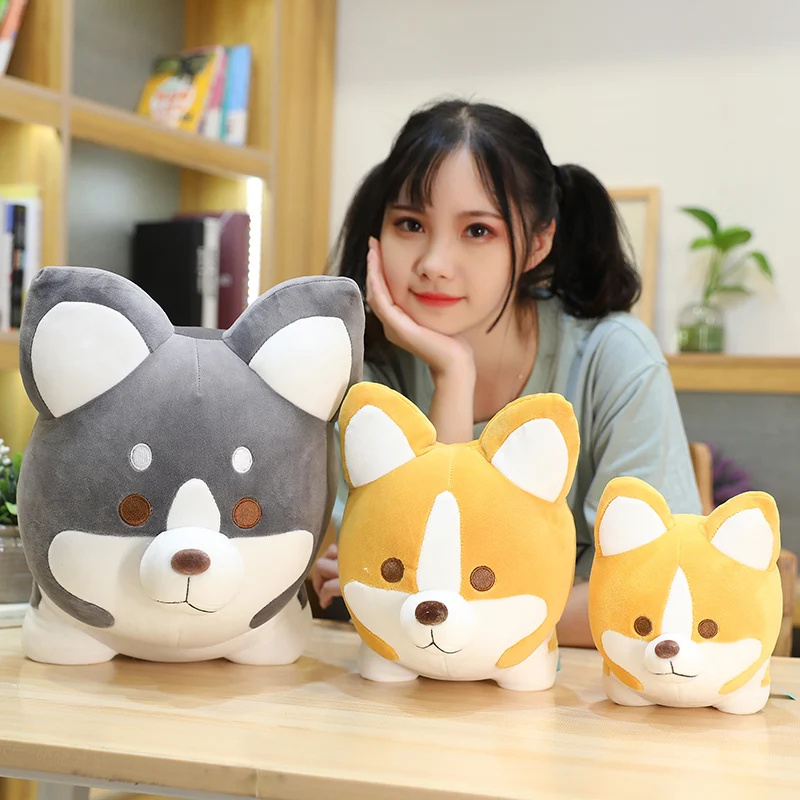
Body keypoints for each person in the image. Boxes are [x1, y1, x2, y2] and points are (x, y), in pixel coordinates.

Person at [312, 98, 701, 647]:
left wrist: (438, 609)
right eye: (410, 224)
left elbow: (657, 589)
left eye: (478, 231)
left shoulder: (614, 358)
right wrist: (453, 376)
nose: (434, 263)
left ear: (538, 243)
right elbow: (424, 601)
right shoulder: (364, 378)